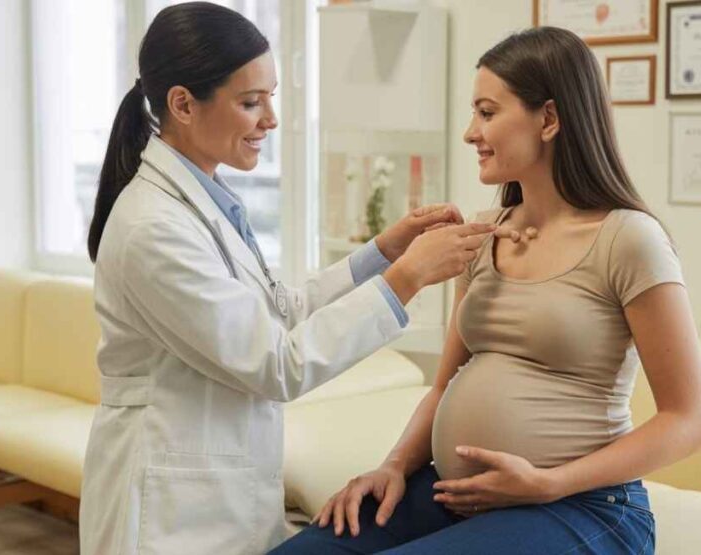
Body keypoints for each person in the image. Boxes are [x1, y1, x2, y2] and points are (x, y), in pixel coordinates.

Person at [272, 26, 701, 555]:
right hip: (452, 492)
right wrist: (393, 465)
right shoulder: (484, 234)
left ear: (548, 119)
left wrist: (549, 481)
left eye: (486, 112)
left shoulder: (629, 239)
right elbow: (444, 385)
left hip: (585, 507)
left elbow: (688, 422)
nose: (469, 132)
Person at [78, 3, 497, 554]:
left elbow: (277, 312)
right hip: (169, 510)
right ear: (182, 104)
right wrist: (406, 279)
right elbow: (276, 364)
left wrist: (382, 253)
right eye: (251, 102)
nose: (271, 119)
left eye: (270, 97)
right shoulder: (153, 228)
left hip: (216, 491)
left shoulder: (201, 202)